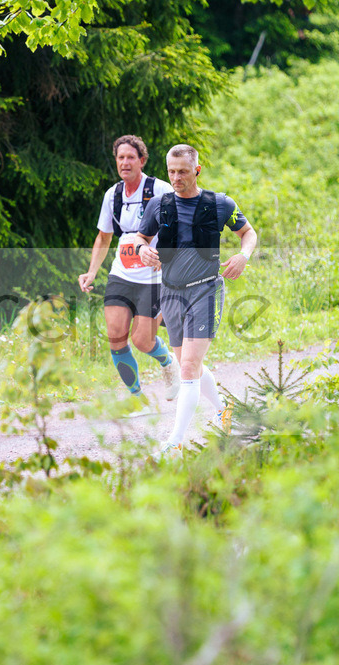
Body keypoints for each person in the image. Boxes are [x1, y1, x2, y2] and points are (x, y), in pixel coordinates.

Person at [136, 145, 258, 455]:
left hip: (205, 290)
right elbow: (141, 238)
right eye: (171, 172)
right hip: (171, 292)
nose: (176, 178)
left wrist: (243, 256)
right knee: (188, 363)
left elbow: (249, 233)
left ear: (197, 170)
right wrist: (142, 250)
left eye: (183, 172)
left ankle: (173, 444)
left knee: (188, 368)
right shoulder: (159, 205)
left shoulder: (219, 204)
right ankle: (225, 409)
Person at [78, 135, 179, 408]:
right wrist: (91, 273)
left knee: (143, 340)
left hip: (154, 277)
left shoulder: (160, 189)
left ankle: (168, 362)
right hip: (121, 274)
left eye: (130, 157)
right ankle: (138, 399)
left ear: (142, 160)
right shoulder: (113, 195)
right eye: (120, 157)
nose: (125, 162)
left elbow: (181, 225)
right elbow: (103, 237)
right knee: (116, 336)